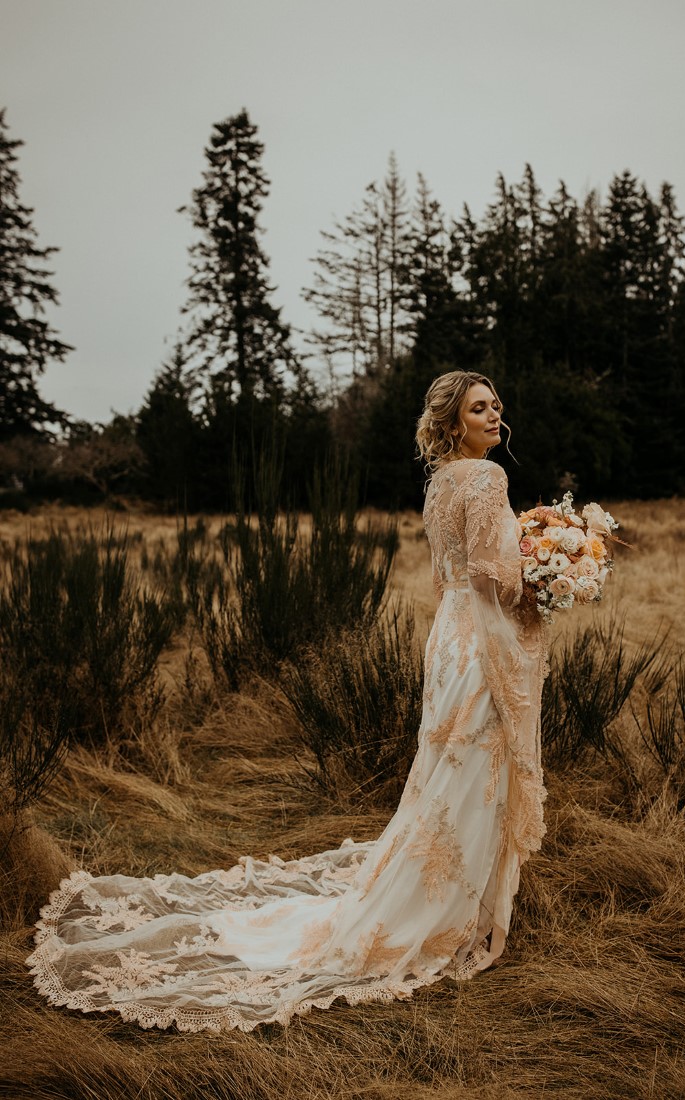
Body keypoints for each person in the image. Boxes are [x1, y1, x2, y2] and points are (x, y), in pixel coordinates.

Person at [27, 369, 548, 1032]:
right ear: (453, 425)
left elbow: (453, 571)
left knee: (450, 775)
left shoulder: (441, 482)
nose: (494, 415)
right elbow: (483, 573)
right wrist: (541, 582)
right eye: (480, 408)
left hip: (448, 636)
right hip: (479, 642)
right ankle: (444, 911)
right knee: (470, 772)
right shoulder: (486, 478)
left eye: (498, 404)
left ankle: (450, 897)